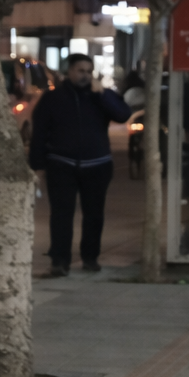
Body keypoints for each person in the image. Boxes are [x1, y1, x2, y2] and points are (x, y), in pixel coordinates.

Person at [28, 54, 132, 276]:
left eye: (88, 71)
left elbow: (123, 114)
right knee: (61, 215)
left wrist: (102, 95)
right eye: (80, 70)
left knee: (94, 214)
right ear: (69, 72)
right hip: (62, 165)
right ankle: (59, 261)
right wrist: (36, 165)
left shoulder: (101, 96)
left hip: (97, 165)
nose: (84, 75)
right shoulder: (53, 99)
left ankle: (90, 258)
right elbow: (39, 133)